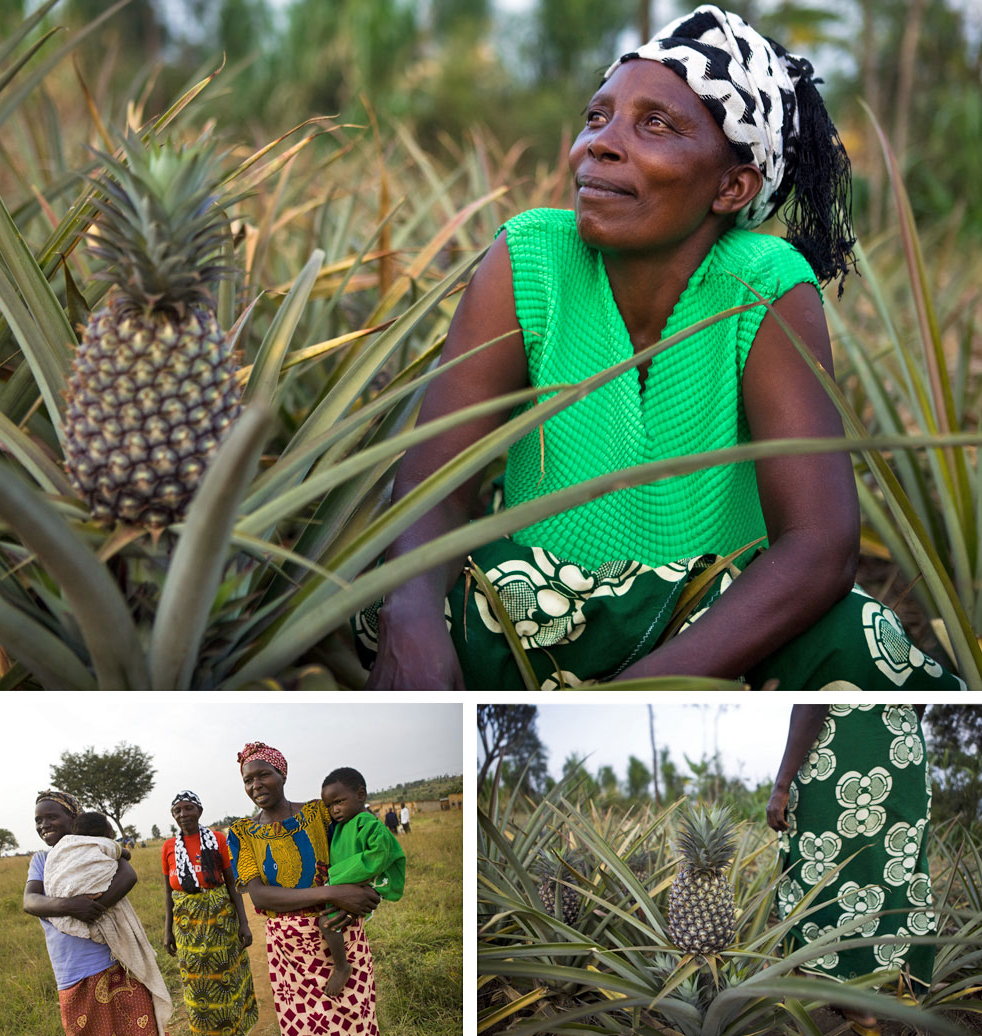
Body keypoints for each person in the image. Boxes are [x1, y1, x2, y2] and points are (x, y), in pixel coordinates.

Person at [357, 4, 966, 691]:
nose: (599, 145)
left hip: (710, 622)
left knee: (853, 635)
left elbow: (820, 549)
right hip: (533, 607)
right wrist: (410, 620)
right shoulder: (530, 256)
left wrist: (641, 693)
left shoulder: (764, 285)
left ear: (732, 187)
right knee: (382, 603)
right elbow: (436, 483)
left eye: (655, 124)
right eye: (597, 118)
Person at [767, 705, 935, 1036]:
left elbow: (815, 702)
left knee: (819, 860)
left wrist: (782, 784)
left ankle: (849, 989)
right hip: (902, 748)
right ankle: (881, 974)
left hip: (843, 746)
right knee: (891, 864)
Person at [227, 742, 382, 1035]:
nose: (256, 785)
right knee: (307, 1026)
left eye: (263, 775)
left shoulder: (319, 814)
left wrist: (365, 890)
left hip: (340, 928)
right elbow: (260, 895)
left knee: (355, 1021)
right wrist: (332, 893)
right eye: (248, 780)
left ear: (282, 774)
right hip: (289, 950)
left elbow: (359, 847)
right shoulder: (242, 834)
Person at [24, 791, 172, 1036]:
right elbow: (30, 902)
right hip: (71, 972)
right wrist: (72, 907)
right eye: (38, 820)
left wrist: (94, 909)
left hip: (115, 960)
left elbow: (128, 875)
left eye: (52, 817)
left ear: (74, 819)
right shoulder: (42, 860)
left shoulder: (97, 846)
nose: (44, 825)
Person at [163, 790, 258, 1036]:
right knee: (196, 985)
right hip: (186, 930)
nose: (183, 814)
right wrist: (167, 932)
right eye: (177, 811)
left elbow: (231, 884)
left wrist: (244, 924)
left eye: (188, 808)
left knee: (226, 978)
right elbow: (167, 894)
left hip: (222, 925)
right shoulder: (168, 847)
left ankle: (233, 1029)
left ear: (200, 811)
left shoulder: (217, 840)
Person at [318, 767, 406, 996]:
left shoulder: (368, 823)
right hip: (346, 884)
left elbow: (377, 856)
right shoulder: (339, 827)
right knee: (330, 921)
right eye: (329, 806)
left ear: (361, 795)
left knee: (327, 922)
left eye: (339, 802)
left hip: (364, 883)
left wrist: (337, 879)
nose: (334, 810)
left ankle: (342, 967)